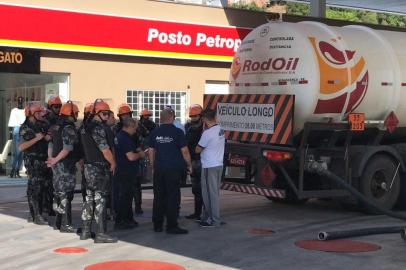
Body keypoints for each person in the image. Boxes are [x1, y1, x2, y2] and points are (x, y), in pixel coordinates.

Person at [148, 108, 192, 234]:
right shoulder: (178, 132)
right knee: (172, 197)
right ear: (172, 117)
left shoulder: (155, 132)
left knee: (158, 197)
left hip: (159, 169)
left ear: (161, 118)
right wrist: (189, 165)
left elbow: (151, 151)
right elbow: (185, 151)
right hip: (173, 169)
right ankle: (171, 226)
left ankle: (157, 224)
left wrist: (153, 166)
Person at [80, 99, 117, 243]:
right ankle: (101, 233)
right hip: (99, 168)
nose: (107, 117)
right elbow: (105, 149)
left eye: (108, 114)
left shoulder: (84, 128)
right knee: (101, 199)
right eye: (106, 114)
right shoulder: (98, 128)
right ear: (98, 113)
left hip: (88, 167)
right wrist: (113, 162)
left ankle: (86, 231)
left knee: (88, 199)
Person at [46, 101, 80, 233]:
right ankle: (66, 225)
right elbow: (67, 149)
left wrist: (51, 159)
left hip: (57, 165)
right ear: (70, 114)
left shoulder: (56, 127)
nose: (77, 115)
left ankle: (58, 223)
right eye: (76, 113)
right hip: (65, 166)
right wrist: (54, 160)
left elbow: (50, 145)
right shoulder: (69, 128)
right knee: (66, 194)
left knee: (59, 193)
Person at [19, 102, 50, 225]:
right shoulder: (25, 128)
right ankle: (36, 215)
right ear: (31, 114)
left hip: (43, 159)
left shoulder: (41, 125)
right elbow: (21, 147)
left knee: (41, 187)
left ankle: (36, 214)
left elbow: (47, 137)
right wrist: (37, 138)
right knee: (35, 188)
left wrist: (47, 136)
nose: (41, 114)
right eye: (38, 112)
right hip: (32, 161)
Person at [195, 108, 225, 228]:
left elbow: (197, 149)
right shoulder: (221, 130)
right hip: (218, 164)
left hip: (209, 166)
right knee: (214, 192)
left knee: (208, 194)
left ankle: (214, 220)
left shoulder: (207, 134)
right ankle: (207, 216)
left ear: (204, 119)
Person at [114, 118, 145, 230]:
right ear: (129, 126)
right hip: (126, 171)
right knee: (125, 197)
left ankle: (128, 219)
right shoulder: (124, 138)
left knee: (126, 196)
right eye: (135, 128)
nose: (135, 131)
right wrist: (140, 155)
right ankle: (121, 221)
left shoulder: (120, 136)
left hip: (123, 170)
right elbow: (131, 157)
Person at [185, 104, 204, 221]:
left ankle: (203, 213)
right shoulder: (189, 127)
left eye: (195, 116)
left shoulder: (205, 128)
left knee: (202, 189)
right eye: (191, 116)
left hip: (201, 161)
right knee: (196, 189)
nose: (193, 119)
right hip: (193, 161)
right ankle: (197, 213)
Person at [8, 96, 25, 178]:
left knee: (21, 152)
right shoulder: (14, 111)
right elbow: (11, 123)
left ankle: (16, 170)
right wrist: (10, 134)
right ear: (17, 102)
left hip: (23, 130)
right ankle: (13, 170)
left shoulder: (25, 110)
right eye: (19, 101)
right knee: (17, 152)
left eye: (21, 101)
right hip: (16, 130)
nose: (20, 102)